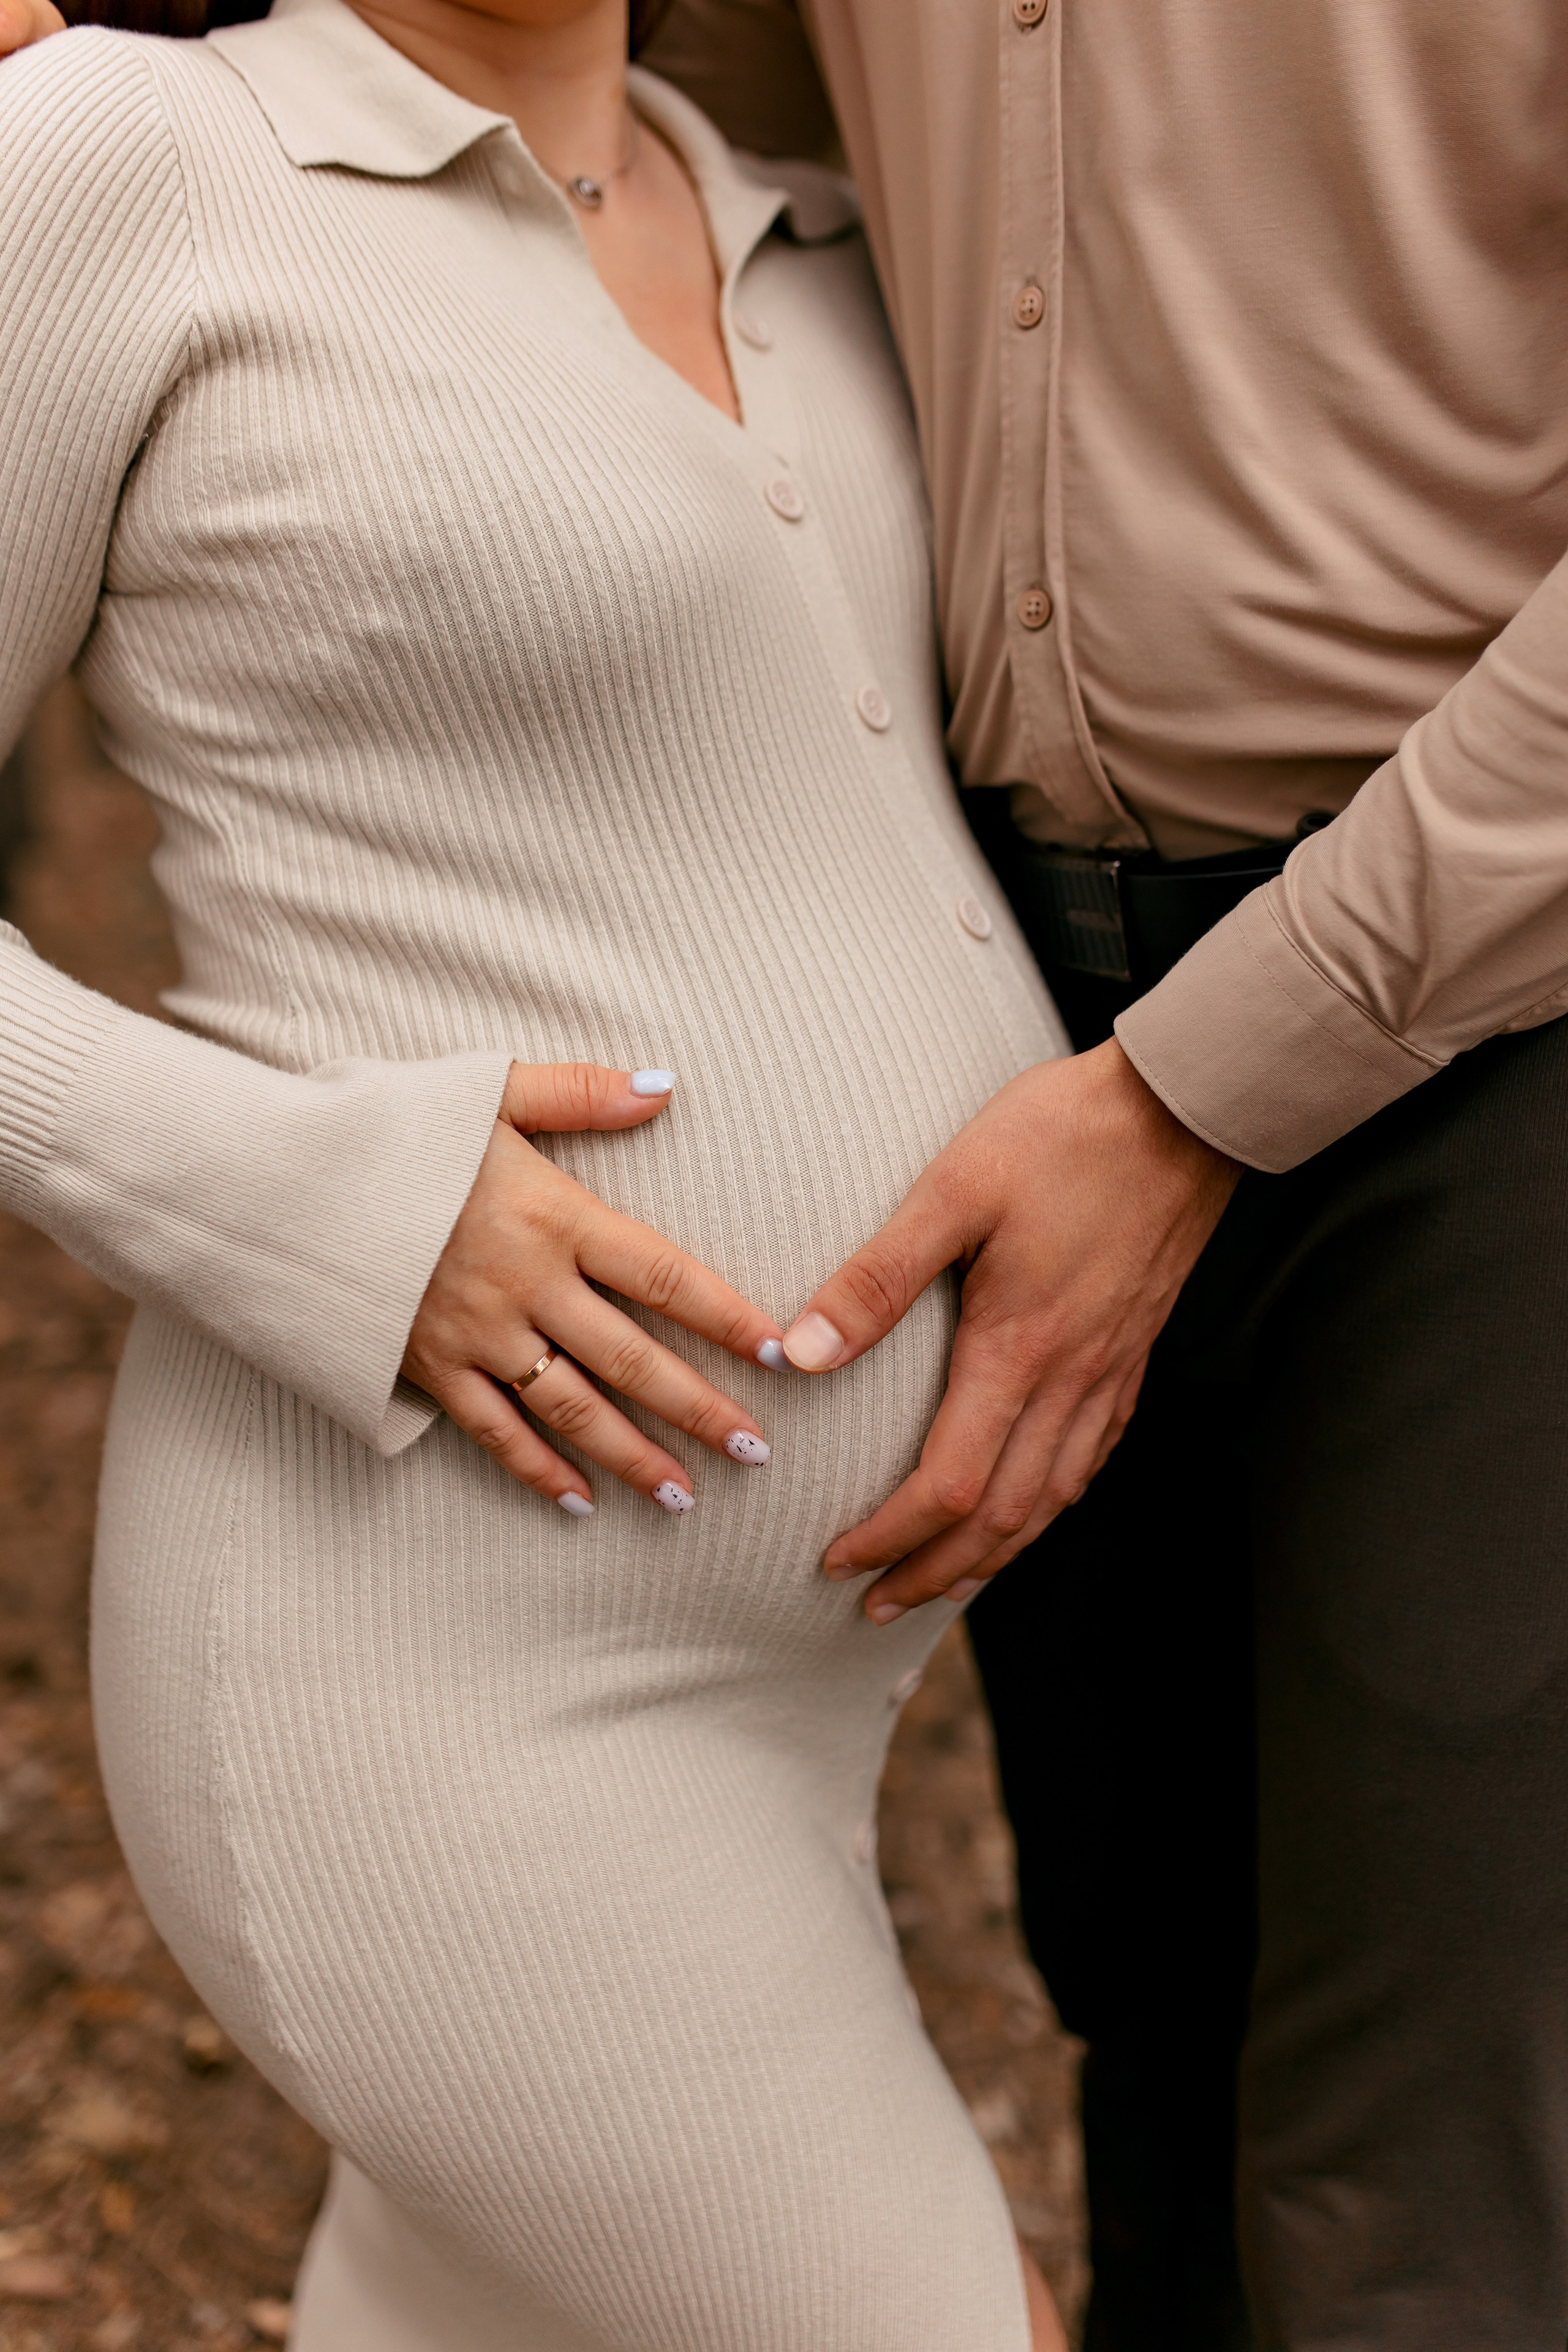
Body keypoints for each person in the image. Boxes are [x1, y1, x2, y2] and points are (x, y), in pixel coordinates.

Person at [0, 0, 1076, 2343]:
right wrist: (325, 1204)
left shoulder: (821, 225)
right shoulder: (117, 155)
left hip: (812, 1686)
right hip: (438, 1664)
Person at [627, 5, 1568, 2348]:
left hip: (1512, 1018)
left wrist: (1188, 1095)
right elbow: (658, 128)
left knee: (1425, 2164)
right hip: (1006, 991)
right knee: (1147, 2000)